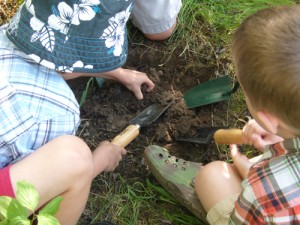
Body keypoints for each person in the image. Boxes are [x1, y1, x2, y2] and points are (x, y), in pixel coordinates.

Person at [0, 0, 181, 224]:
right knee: (75, 158)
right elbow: (46, 186)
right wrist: (95, 164)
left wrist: (118, 73)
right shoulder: (59, 113)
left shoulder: (5, 38)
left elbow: (60, 61)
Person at [144, 4, 300, 225]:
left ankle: (198, 189)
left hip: (261, 211)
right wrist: (282, 140)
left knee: (213, 175)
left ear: (267, 120)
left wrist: (254, 177)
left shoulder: (263, 193)